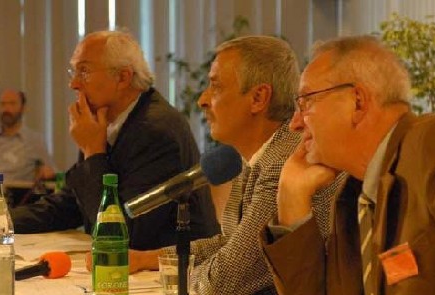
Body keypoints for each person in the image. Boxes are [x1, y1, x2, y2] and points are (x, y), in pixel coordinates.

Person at [261, 35, 435, 295]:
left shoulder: (431, 145)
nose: (295, 123)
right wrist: (291, 197)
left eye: (306, 101)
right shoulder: (353, 199)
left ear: (358, 102)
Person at [0, 30, 220, 251]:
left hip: (174, 275)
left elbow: (125, 233)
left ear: (123, 77)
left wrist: (93, 151)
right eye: (73, 72)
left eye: (84, 72)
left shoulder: (156, 129)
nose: (73, 84)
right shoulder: (108, 120)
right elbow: (72, 203)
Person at [124, 36, 345, 295]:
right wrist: (148, 259)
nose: (202, 100)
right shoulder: (256, 155)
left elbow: (225, 282)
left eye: (215, 87)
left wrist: (183, 278)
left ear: (258, 98)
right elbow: (230, 242)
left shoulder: (283, 162)